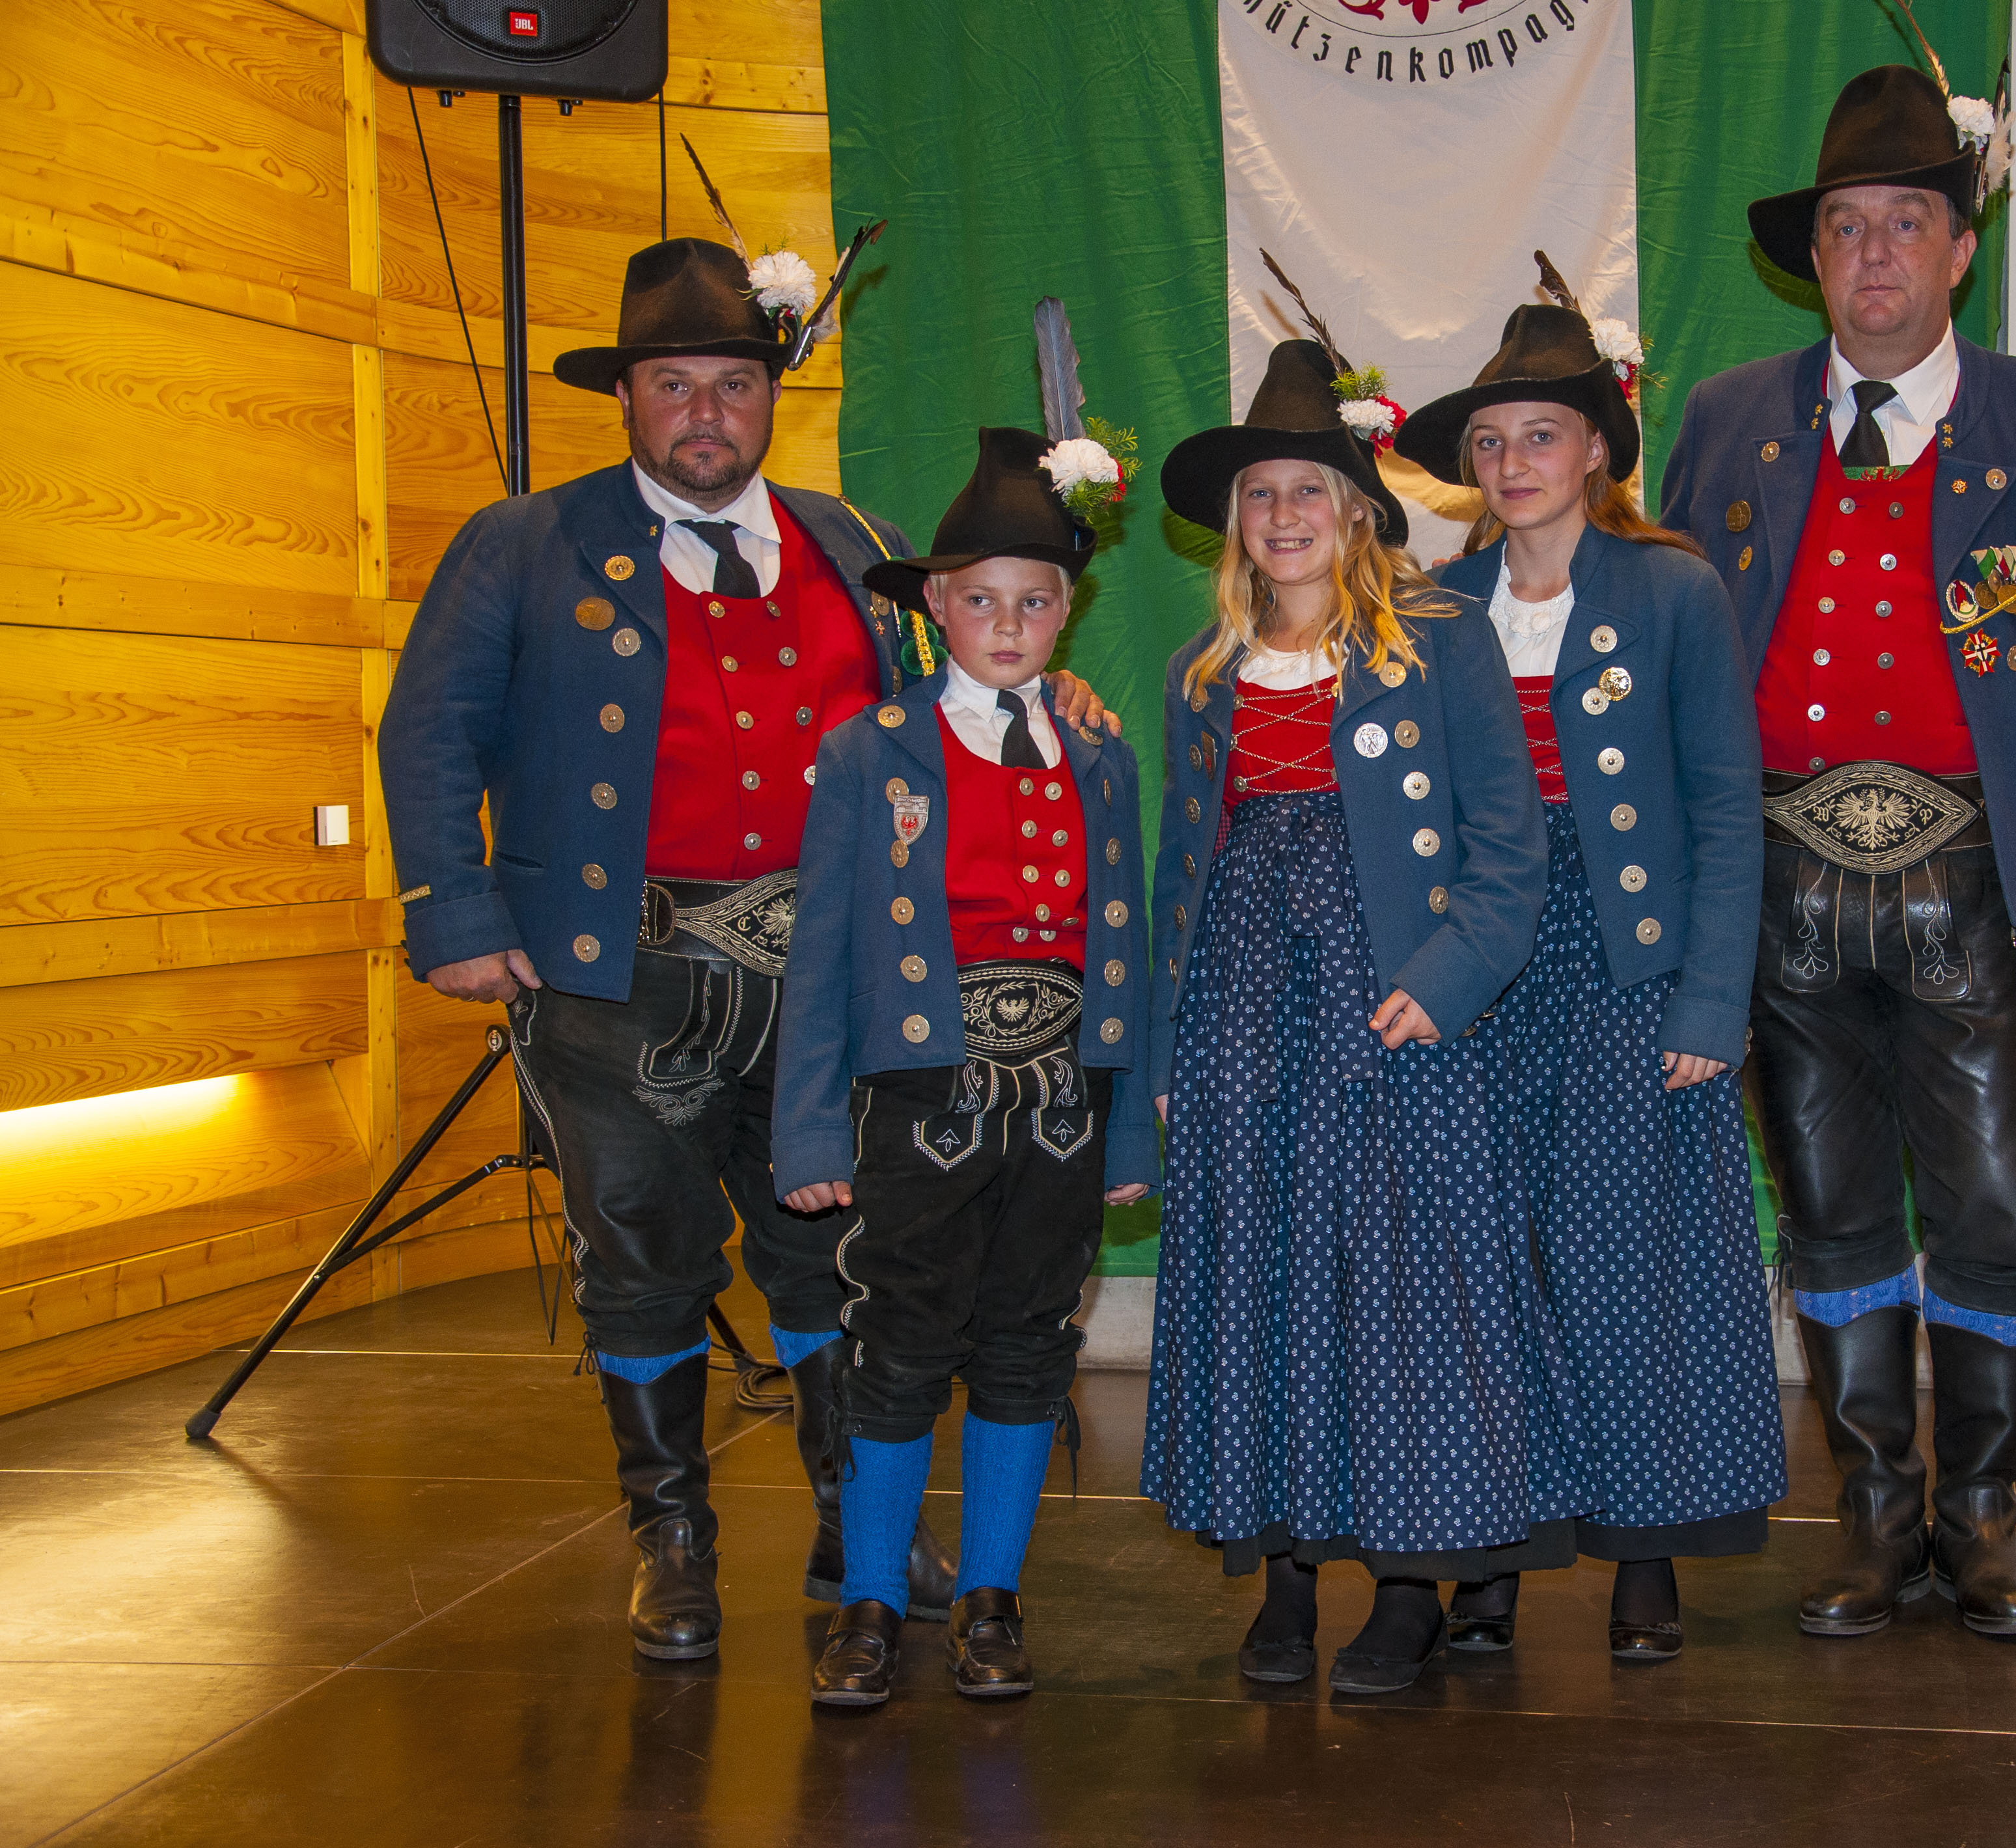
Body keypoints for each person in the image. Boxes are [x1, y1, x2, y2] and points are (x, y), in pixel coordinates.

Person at [378, 237, 1109, 1662]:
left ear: (769, 395)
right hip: (614, 973)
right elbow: (427, 734)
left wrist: (1045, 690)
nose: (703, 411)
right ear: (631, 400)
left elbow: (946, 697)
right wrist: (457, 917)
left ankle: (857, 1518)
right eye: (672, 385)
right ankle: (673, 1535)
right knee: (641, 1252)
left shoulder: (843, 539)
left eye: (731, 382)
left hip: (822, 973)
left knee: (838, 1248)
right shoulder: (526, 541)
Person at [1658, 65, 2016, 1640]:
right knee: (1830, 1200)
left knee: (1995, 1201)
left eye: (1905, 224)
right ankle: (1874, 1509)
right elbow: (1671, 666)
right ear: (1815, 257)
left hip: (1973, 878)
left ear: (1955, 251)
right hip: (1779, 881)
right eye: (1845, 228)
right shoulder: (1727, 420)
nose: (1871, 255)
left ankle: (1983, 1508)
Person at [1139, 331, 1574, 1697]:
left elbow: (1509, 852)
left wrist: (1440, 987)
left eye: (1308, 491)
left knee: (1399, 1294)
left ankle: (1406, 1581)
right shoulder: (1198, 672)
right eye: (1259, 493)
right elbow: (1177, 874)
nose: (1282, 516)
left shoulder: (1436, 642)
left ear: (1356, 512)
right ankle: (1278, 1567)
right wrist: (1164, 1050)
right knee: (1262, 1273)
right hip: (1239, 1017)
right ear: (1234, 522)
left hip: (1390, 1012)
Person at [1392, 281, 1783, 1661]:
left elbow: (1725, 809)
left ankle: (1642, 1546)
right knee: (1480, 1256)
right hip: (1486, 951)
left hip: (1626, 963)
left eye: (1538, 435)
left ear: (1596, 452)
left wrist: (1707, 1000)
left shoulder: (1670, 589)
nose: (1509, 463)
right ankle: (1489, 1550)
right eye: (1489, 440)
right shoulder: (1428, 605)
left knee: (1632, 1259)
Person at [773, 426, 1155, 1706]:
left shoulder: (1098, 752)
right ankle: (873, 1597)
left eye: (1033, 601)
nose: (1007, 623)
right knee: (895, 1351)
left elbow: (1129, 950)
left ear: (1065, 611)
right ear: (934, 607)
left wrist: (1130, 1139)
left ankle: (990, 1591)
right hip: (919, 1107)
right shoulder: (868, 751)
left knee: (1026, 1348)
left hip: (1059, 1107)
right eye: (980, 599)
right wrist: (811, 1132)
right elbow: (820, 954)